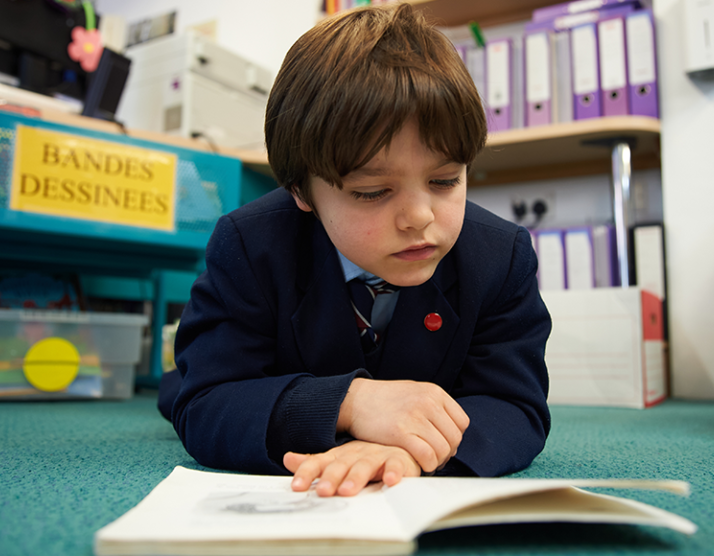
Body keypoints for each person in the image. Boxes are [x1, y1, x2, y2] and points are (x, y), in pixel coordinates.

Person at [163, 4, 552, 497]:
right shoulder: (250, 244)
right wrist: (350, 403)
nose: (420, 216)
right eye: (373, 192)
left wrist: (410, 452)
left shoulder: (500, 257)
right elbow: (209, 401)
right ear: (301, 191)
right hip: (263, 386)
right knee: (177, 386)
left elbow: (515, 406)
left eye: (445, 180)